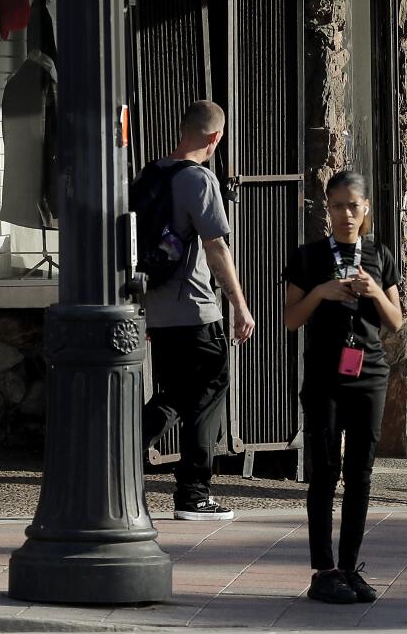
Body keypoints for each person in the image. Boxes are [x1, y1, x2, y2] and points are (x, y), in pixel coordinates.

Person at [283, 171, 403, 605]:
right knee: (326, 470)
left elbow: (397, 321)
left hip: (368, 372)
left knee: (360, 474)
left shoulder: (379, 255)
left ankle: (350, 567)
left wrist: (372, 291)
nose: (346, 213)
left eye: (354, 205)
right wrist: (323, 292)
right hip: (324, 375)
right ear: (326, 209)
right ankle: (324, 568)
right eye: (337, 205)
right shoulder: (309, 256)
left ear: (366, 208)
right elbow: (291, 318)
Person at [139, 100, 255, 521]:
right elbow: (216, 246)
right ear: (215, 138)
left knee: (174, 394)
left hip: (159, 311)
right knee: (207, 395)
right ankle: (193, 493)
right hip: (196, 311)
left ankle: (118, 453)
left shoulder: (150, 174)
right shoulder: (199, 180)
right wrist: (239, 305)